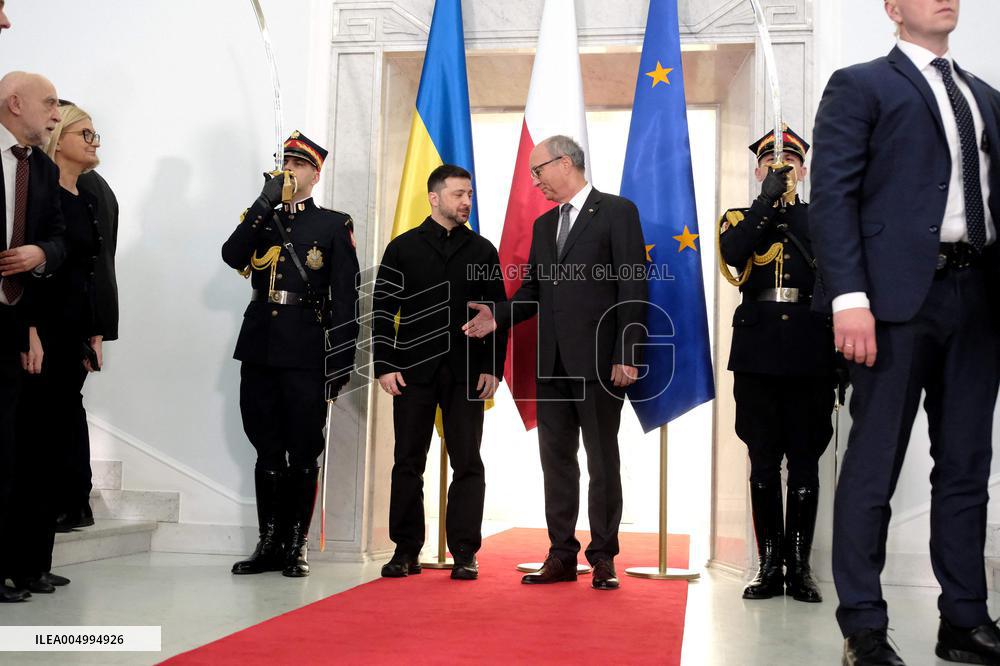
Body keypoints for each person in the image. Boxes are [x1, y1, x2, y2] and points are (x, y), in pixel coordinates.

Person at [810, 1, 1000, 663]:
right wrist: (849, 299)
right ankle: (863, 628)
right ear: (892, 8)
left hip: (978, 298)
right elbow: (832, 194)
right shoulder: (861, 84)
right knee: (873, 465)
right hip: (891, 305)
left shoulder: (985, 97)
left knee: (967, 467)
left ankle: (964, 622)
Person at [463, 135, 647, 590]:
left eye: (538, 170)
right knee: (557, 463)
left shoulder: (617, 211)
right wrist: (497, 316)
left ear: (564, 163)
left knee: (603, 462)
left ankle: (603, 556)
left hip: (601, 364)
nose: (535, 181)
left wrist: (628, 354)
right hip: (553, 366)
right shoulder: (546, 227)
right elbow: (532, 293)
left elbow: (633, 287)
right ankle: (562, 555)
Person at [223, 131, 359, 579]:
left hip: (306, 351)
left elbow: (346, 298)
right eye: (285, 161)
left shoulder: (334, 225)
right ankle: (268, 543)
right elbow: (231, 255)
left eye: (299, 164)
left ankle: (296, 544)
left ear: (315, 175)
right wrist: (264, 203)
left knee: (302, 450)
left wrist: (340, 361)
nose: (289, 169)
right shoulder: (261, 217)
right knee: (266, 448)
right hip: (261, 346)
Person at [717, 126, 836, 604]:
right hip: (758, 352)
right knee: (763, 460)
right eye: (770, 162)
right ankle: (769, 565)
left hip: (811, 348)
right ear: (758, 169)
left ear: (804, 171)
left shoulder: (824, 217)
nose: (780, 169)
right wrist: (767, 202)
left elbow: (835, 267)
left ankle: (800, 567)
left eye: (789, 163)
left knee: (805, 462)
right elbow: (733, 253)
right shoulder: (740, 216)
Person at [372, 164, 507, 581]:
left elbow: (496, 312)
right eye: (458, 194)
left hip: (467, 373)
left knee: (468, 462)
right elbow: (381, 309)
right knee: (408, 461)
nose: (466, 201)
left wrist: (493, 368)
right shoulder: (402, 248)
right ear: (434, 198)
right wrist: (384, 364)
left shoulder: (483, 250)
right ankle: (406, 550)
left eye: (470, 194)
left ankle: (465, 551)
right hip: (412, 371)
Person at [4, 102, 118, 596]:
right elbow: (28, 267)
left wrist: (95, 330)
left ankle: (35, 563)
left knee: (50, 452)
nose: (95, 142)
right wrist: (28, 328)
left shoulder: (90, 193)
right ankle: (14, 562)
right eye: (85, 133)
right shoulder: (42, 184)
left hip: (71, 331)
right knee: (27, 451)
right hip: (40, 329)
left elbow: (94, 270)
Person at [0, 71, 66, 603]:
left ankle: (18, 565)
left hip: (16, 323)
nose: (54, 112)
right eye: (48, 103)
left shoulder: (40, 168)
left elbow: (59, 240)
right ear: (14, 102)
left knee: (14, 450)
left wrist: (41, 254)